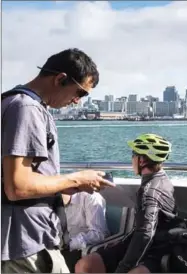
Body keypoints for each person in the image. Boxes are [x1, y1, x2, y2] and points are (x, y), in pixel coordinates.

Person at [1, 48, 115, 273]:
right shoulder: (27, 109)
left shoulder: (13, 103)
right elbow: (17, 186)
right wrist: (75, 179)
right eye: (80, 93)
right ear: (60, 79)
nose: (76, 101)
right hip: (26, 244)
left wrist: (69, 187)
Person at [75, 133, 177, 273]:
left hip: (158, 247)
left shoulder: (150, 191)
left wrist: (123, 268)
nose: (132, 159)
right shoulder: (158, 180)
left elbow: (145, 234)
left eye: (133, 154)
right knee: (86, 265)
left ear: (141, 161)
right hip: (137, 240)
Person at [61, 192, 110, 272]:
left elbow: (99, 234)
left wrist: (68, 244)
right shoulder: (50, 201)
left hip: (81, 248)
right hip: (61, 245)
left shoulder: (91, 197)